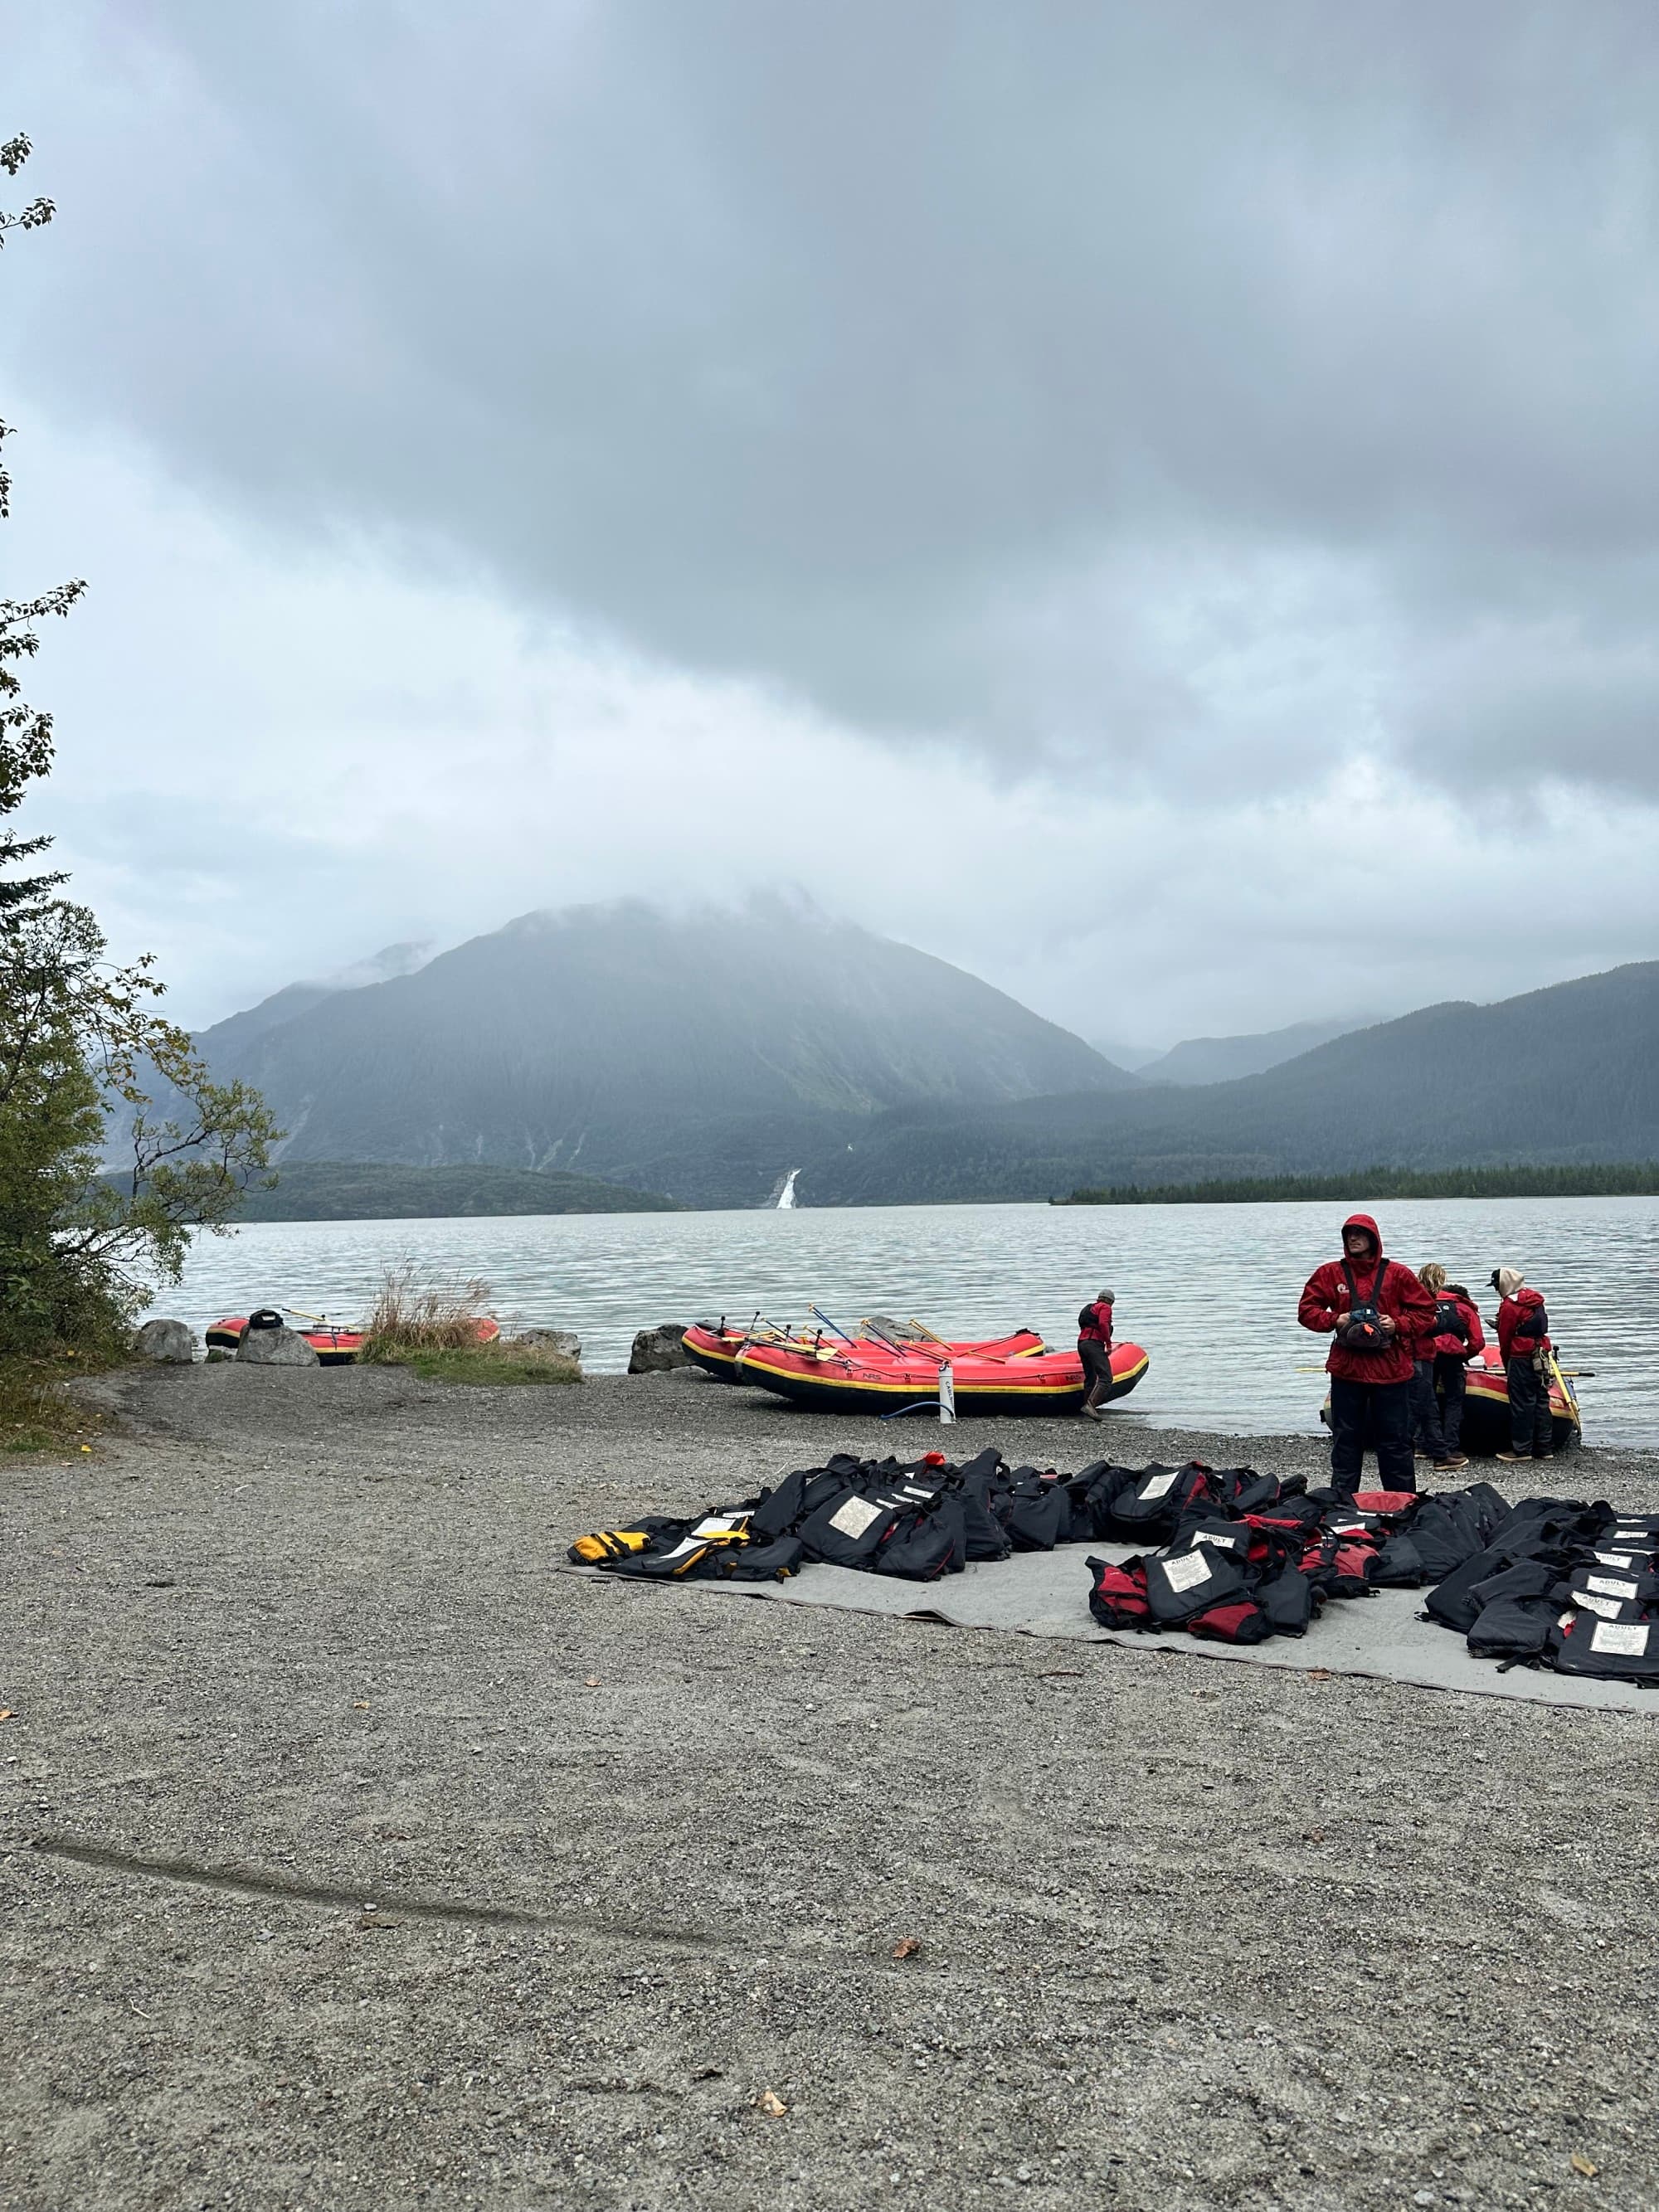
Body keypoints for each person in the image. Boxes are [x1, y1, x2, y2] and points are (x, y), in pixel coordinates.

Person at [1299, 1213, 1434, 1495]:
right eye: (1349, 1233)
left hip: (1391, 1372)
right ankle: (1341, 1502)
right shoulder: (1330, 1273)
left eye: (1360, 1233)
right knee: (1346, 1440)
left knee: (1395, 1442)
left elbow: (1427, 1312)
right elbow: (1307, 1311)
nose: (1354, 1238)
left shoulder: (1397, 1274)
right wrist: (1335, 1320)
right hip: (1348, 1371)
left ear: (1374, 1238)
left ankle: (1402, 1501)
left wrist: (1398, 1324)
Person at [1418, 1262, 1484, 1461]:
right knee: (1454, 1401)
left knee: (1425, 1399)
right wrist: (1465, 1355)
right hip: (1453, 1356)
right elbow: (1478, 1341)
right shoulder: (1464, 1307)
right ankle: (1451, 1446)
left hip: (1426, 1356)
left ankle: (1421, 1444)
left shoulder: (1418, 1304)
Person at [1491, 1266, 1554, 1463]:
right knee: (1541, 1399)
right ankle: (1544, 1448)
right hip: (1540, 1353)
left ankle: (1521, 1449)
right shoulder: (1535, 1301)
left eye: (1497, 1286)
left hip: (1521, 1356)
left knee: (1522, 1403)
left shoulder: (1509, 1306)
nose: (1496, 1290)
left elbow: (1505, 1336)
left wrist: (1506, 1360)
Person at [1076, 1288, 1116, 1420]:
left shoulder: (1089, 1308)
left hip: (1082, 1343)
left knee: (1090, 1377)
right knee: (1106, 1378)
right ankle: (1091, 1406)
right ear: (1110, 1301)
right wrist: (1108, 1344)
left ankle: (1085, 1407)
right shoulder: (1105, 1308)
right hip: (1094, 1344)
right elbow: (1103, 1324)